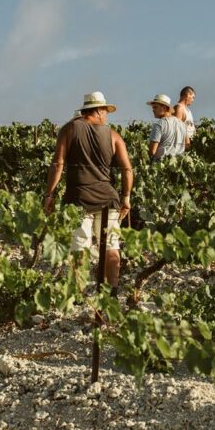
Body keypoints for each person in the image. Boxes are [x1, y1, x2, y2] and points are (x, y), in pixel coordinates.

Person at [44, 92, 133, 294]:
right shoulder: (113, 135)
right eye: (106, 112)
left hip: (78, 198)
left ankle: (78, 291)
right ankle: (112, 290)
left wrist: (49, 194)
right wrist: (126, 198)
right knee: (111, 245)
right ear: (99, 110)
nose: (107, 116)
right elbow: (127, 169)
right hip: (108, 198)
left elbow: (58, 164)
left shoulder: (68, 129)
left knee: (80, 246)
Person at [147, 94, 187, 161]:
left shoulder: (159, 124)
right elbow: (187, 144)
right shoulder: (182, 124)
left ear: (164, 108)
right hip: (178, 163)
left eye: (155, 107)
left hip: (162, 164)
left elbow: (152, 151)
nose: (153, 110)